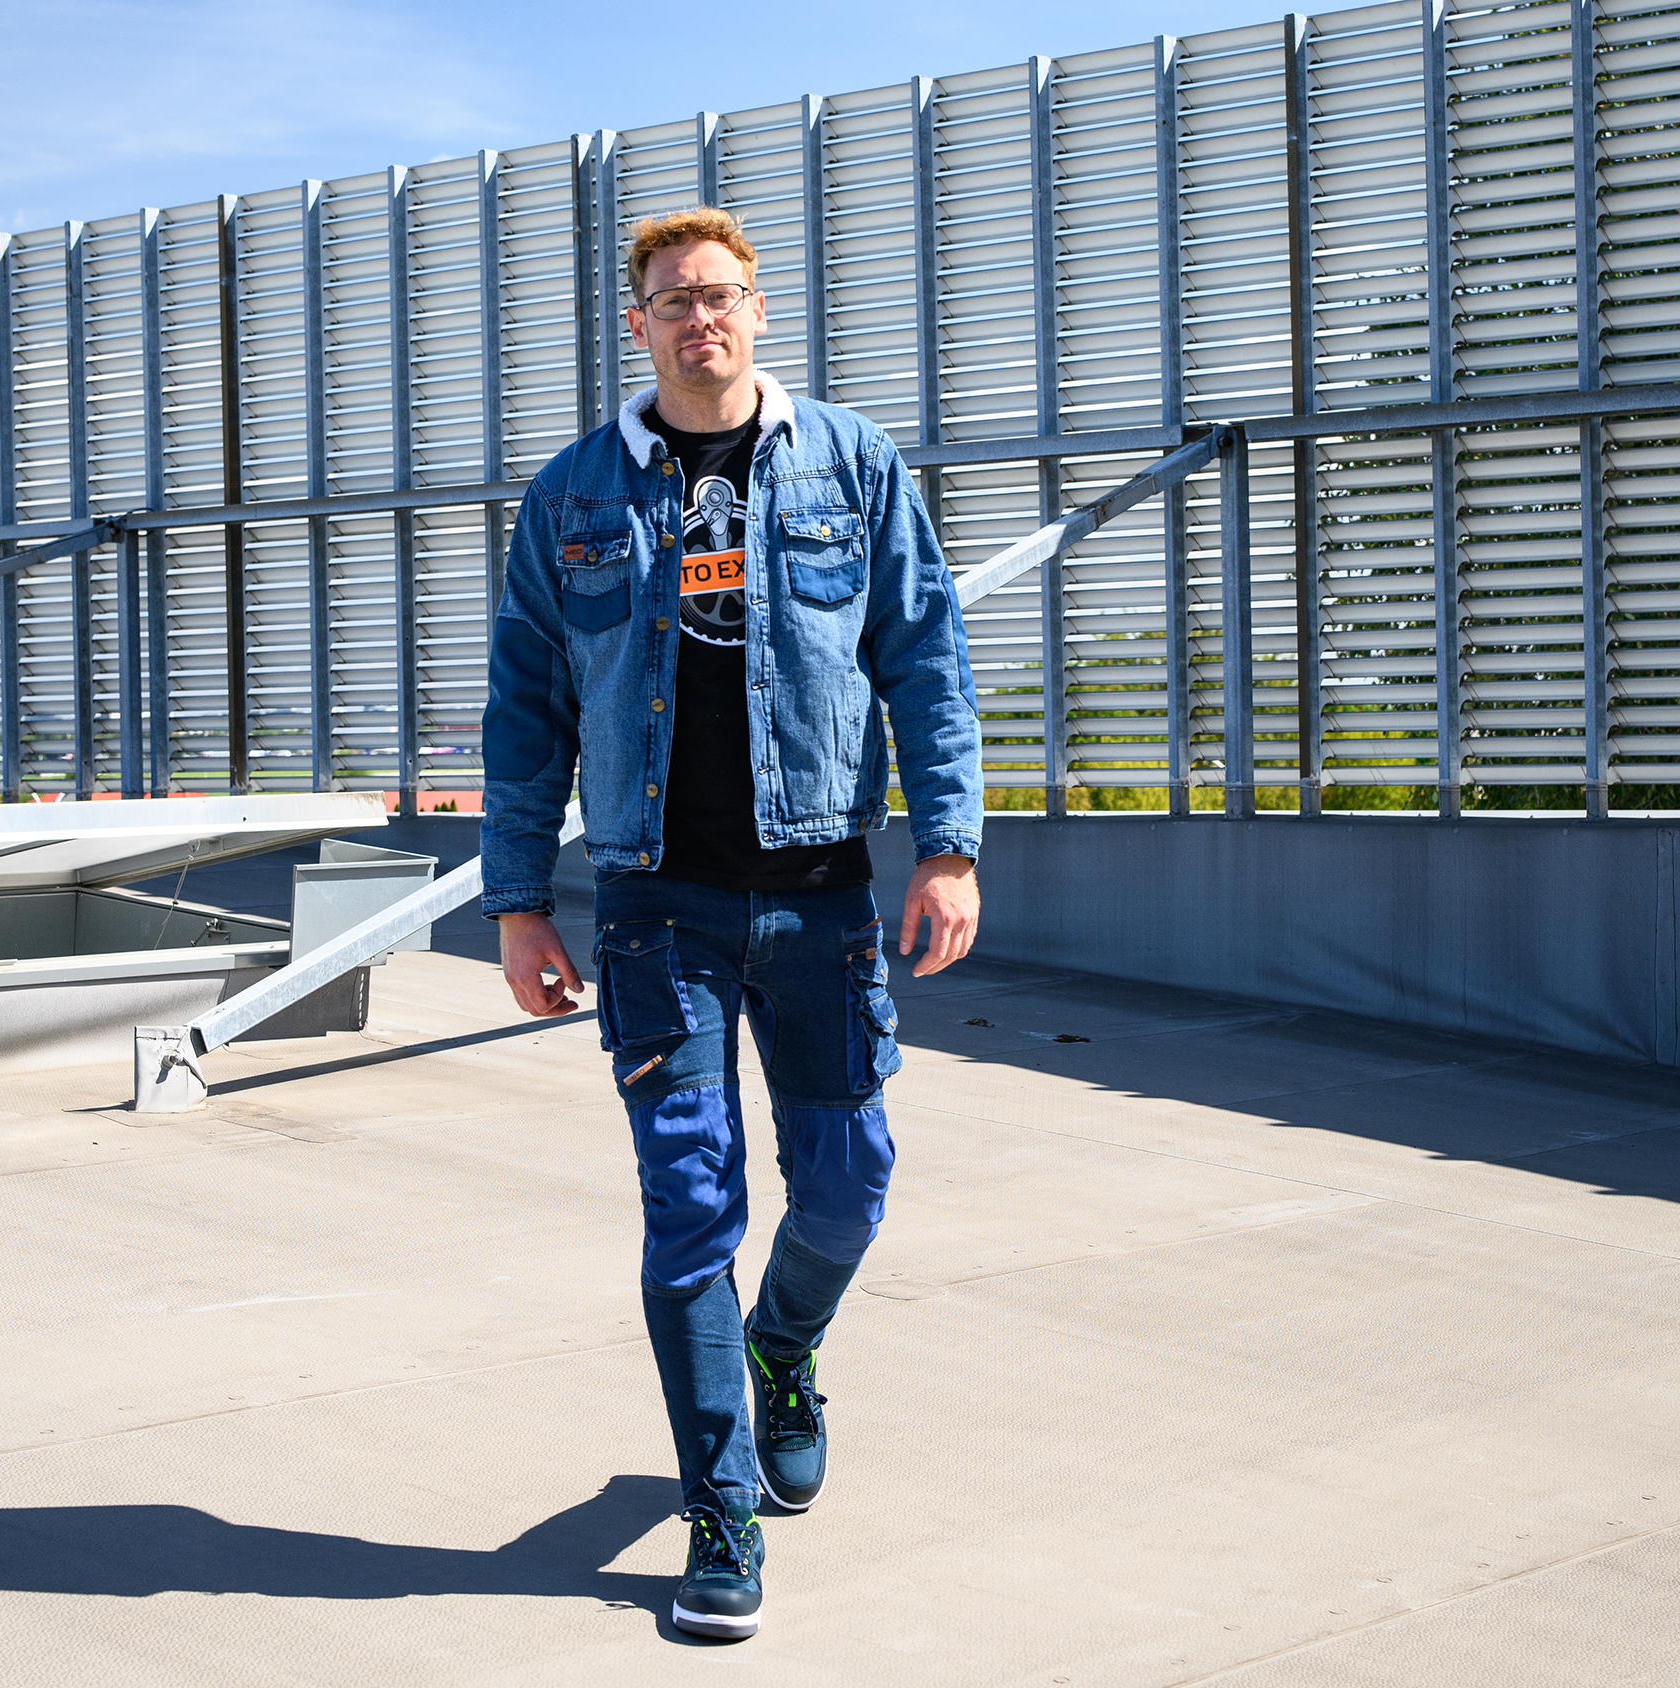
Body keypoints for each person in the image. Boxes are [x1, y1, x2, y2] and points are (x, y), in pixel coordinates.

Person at [476, 206, 984, 1640]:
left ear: (758, 310)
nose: (697, 317)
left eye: (719, 294)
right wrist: (519, 903)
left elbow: (924, 655)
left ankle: (783, 1347)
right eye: (670, 299)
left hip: (821, 896)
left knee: (849, 1185)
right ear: (637, 324)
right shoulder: (574, 495)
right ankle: (720, 1505)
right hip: (657, 905)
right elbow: (527, 709)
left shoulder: (850, 463)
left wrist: (948, 846)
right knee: (691, 1196)